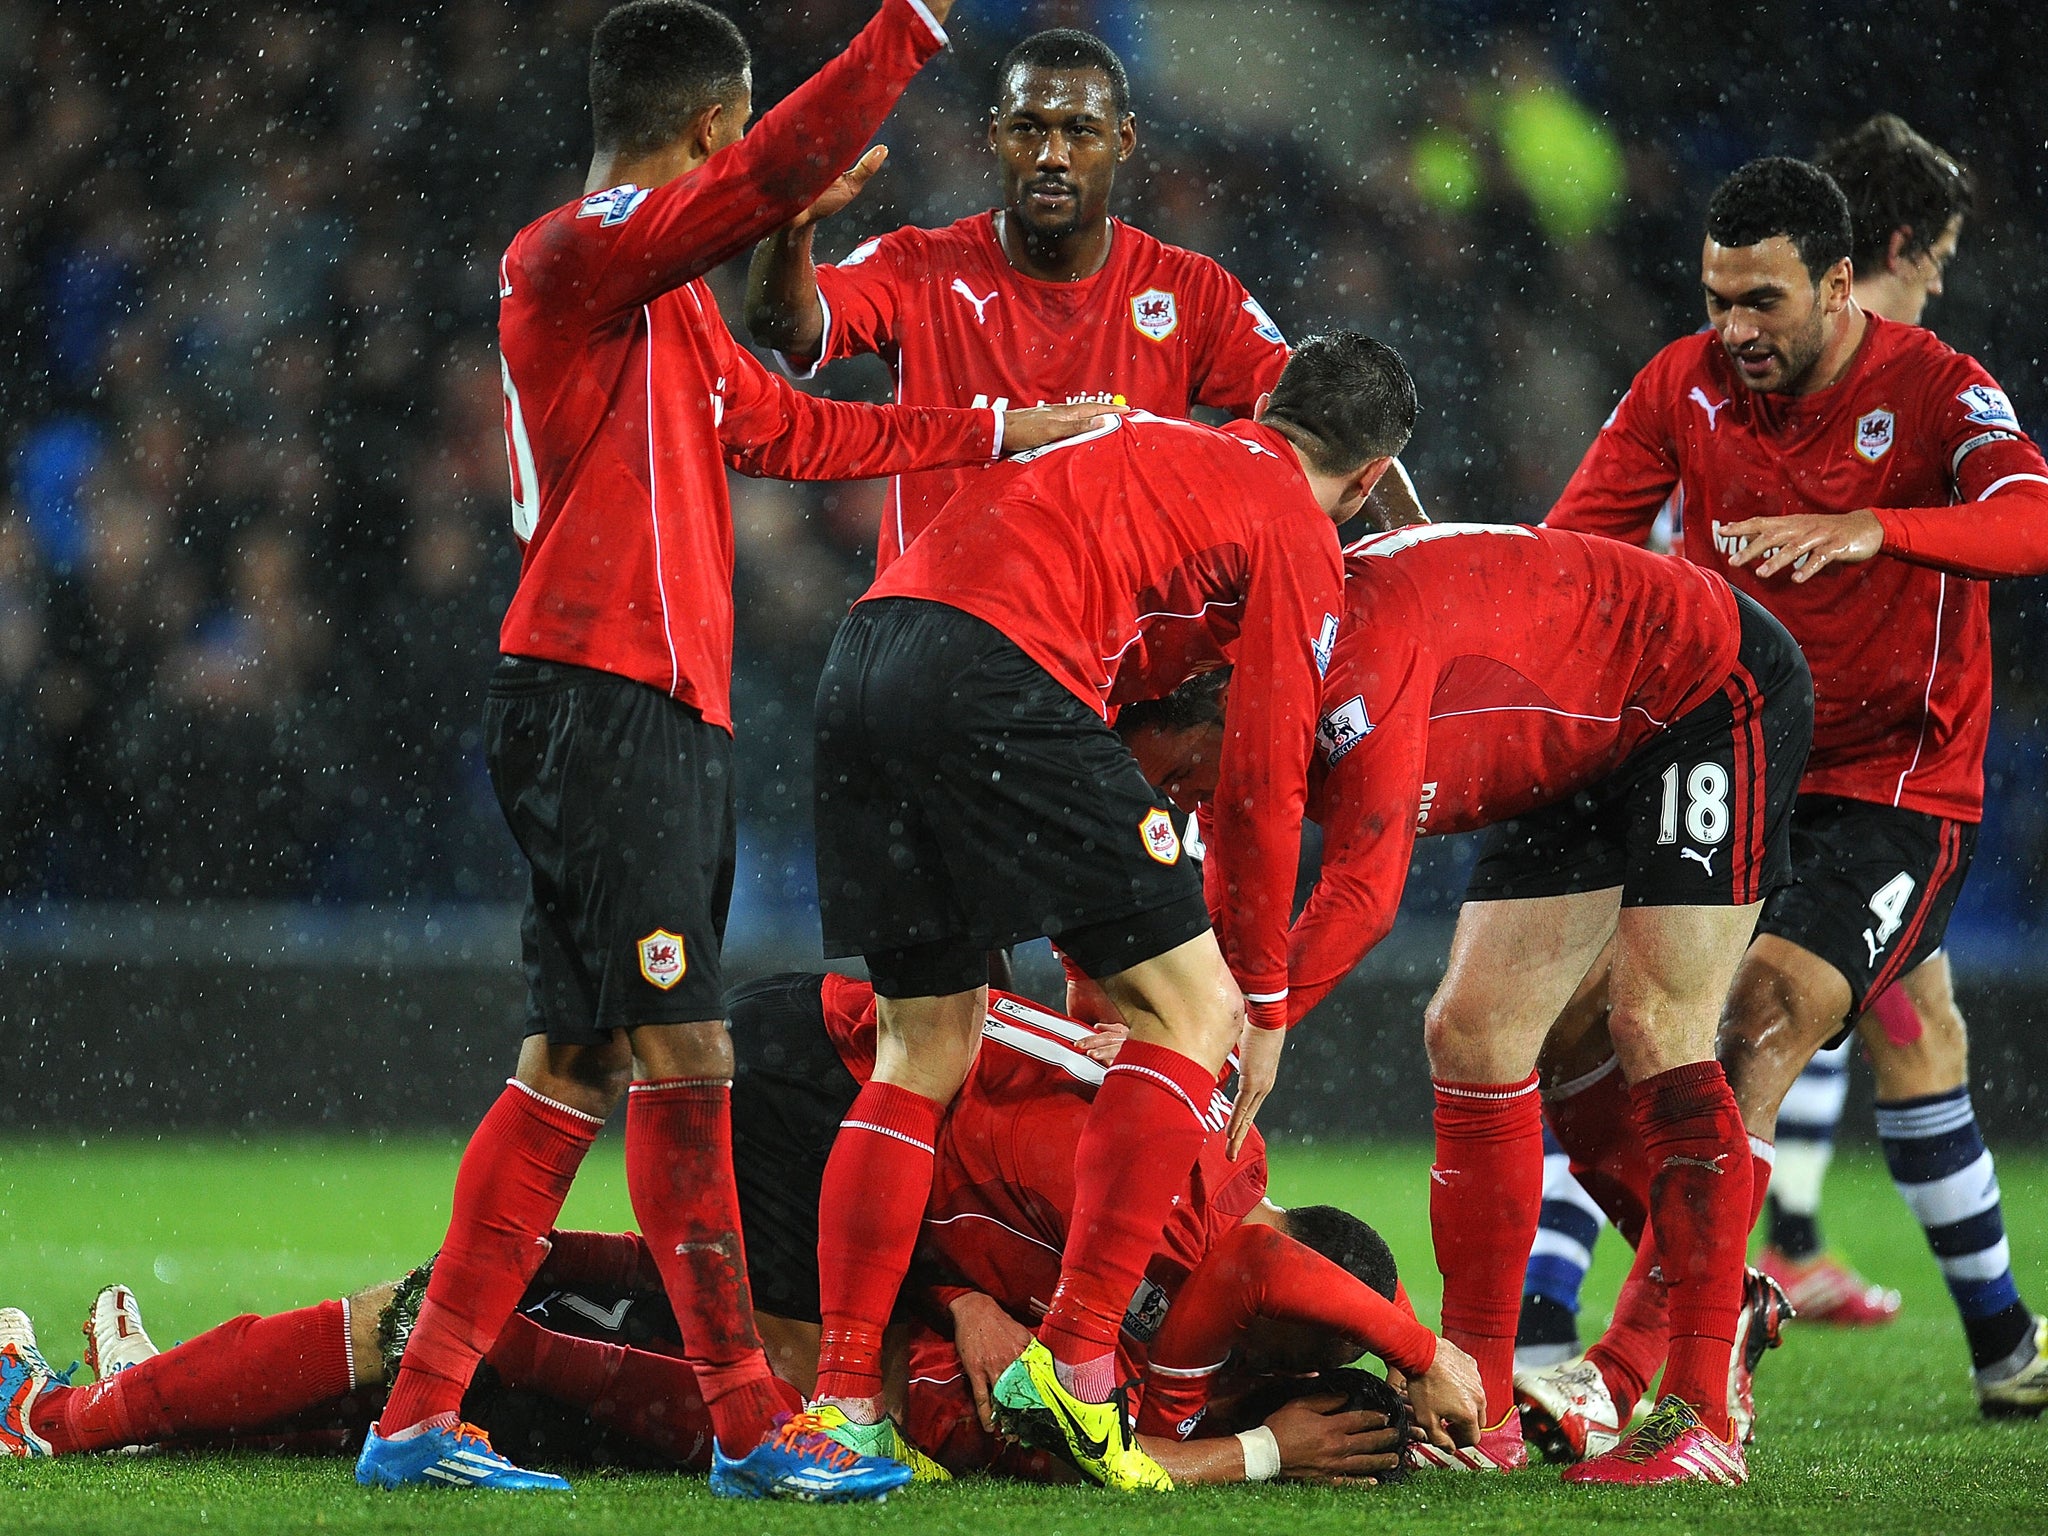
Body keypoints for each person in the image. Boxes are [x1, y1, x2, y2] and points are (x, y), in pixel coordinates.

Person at [365, 0, 1118, 1499]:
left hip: (656, 707)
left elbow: (793, 430)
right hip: (602, 695)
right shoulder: (568, 253)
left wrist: (1000, 428)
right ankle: (747, 1425)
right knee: (686, 1056)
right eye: (747, 142)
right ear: (716, 126)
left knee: (569, 1066)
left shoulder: (671, 304)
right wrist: (904, 28)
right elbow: (762, 184)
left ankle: (416, 1416)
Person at [805, 334, 1416, 1491]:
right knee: (1193, 1012)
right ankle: (1077, 1365)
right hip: (998, 669)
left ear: (1267, 408)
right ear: (1370, 477)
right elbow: (1261, 776)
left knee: (924, 1040)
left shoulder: (1146, 439)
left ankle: (839, 1410)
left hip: (866, 651)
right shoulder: (1296, 525)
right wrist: (1265, 998)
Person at [1529, 154, 2048, 1447]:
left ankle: (1643, 1362)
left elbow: (2033, 518)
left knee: (1757, 1024)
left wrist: (1889, 527)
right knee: (1584, 1034)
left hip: (1893, 790)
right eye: (1717, 300)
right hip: (1734, 761)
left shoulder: (1938, 390)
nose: (1734, 331)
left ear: (1836, 280)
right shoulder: (1679, 384)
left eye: (1763, 301)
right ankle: (1711, 1295)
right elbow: (1574, 545)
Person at [1122, 519, 1813, 1485]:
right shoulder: (1260, 700)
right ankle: (1478, 1417)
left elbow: (1361, 900)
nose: (1180, 796)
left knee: (1656, 1024)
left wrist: (1248, 1029)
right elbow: (1233, 897)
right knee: (1473, 1036)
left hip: (1699, 689)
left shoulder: (1348, 690)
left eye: (1181, 771)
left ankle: (1701, 1418)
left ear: (1224, 716)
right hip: (1576, 735)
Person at [743, 27, 1426, 575]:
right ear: (994, 136)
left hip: (1118, 658)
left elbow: (1335, 431)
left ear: (1122, 141)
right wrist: (789, 229)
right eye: (1029, 128)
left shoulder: (1190, 291)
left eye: (1080, 131)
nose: (1051, 155)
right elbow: (785, 324)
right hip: (944, 638)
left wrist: (1420, 553)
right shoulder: (917, 265)